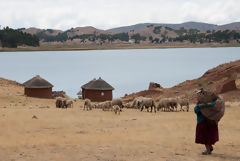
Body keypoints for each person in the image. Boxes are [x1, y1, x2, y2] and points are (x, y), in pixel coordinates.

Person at [194, 88, 225, 155]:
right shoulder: (212, 102)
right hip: (211, 121)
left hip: (202, 121)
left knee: (205, 136)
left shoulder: (201, 104)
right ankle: (209, 147)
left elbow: (196, 110)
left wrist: (199, 107)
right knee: (209, 135)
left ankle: (208, 150)